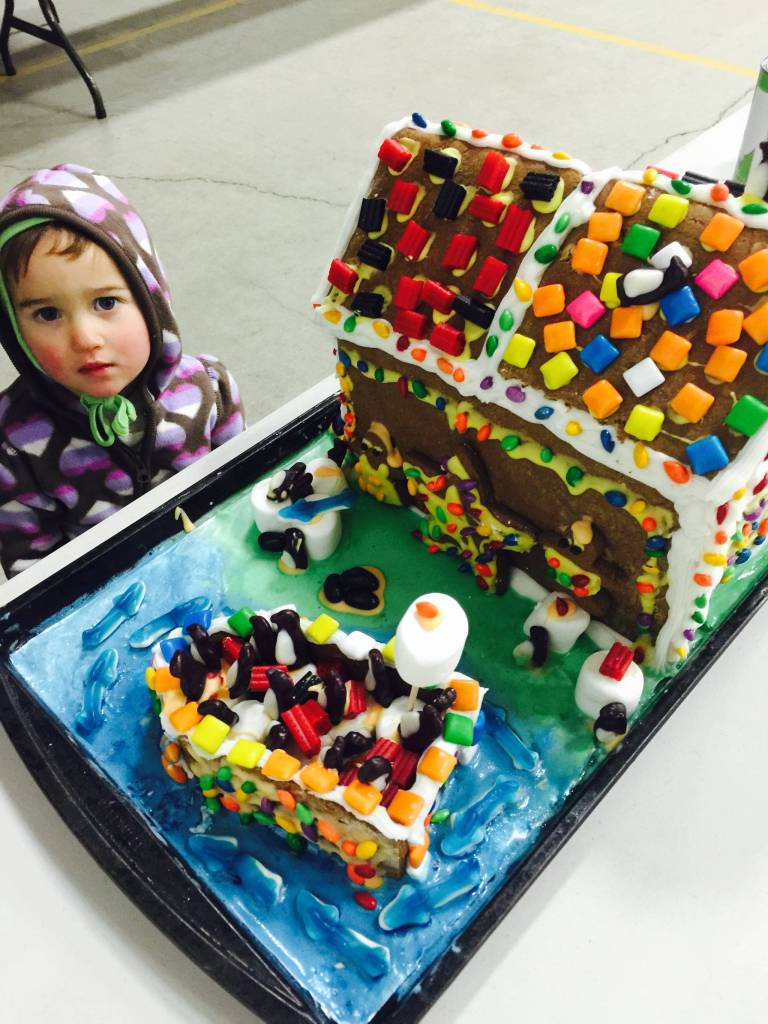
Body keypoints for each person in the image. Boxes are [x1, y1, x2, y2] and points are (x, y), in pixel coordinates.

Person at [0, 164, 245, 576]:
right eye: (47, 313)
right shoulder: (14, 448)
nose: (85, 338)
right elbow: (33, 577)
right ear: (13, 329)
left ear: (152, 300)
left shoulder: (210, 391)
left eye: (106, 303)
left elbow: (242, 494)